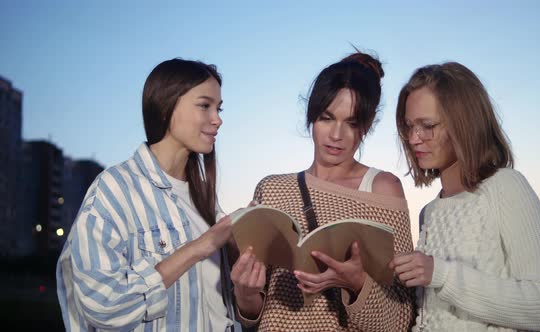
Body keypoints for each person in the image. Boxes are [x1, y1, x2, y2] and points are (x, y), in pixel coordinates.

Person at [231, 52, 416, 331]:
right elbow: (255, 314)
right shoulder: (272, 189)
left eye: (352, 123)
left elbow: (401, 319)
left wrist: (356, 284)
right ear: (312, 117)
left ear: (367, 125)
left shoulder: (383, 189)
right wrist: (245, 293)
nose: (336, 135)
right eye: (327, 118)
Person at [56, 58, 236, 331]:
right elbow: (104, 306)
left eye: (219, 108)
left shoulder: (207, 201)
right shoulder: (115, 190)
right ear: (166, 106)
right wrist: (199, 248)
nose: (218, 119)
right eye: (205, 105)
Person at [390, 62, 540, 331]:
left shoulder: (506, 187)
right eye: (409, 126)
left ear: (465, 124)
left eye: (427, 125)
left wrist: (442, 274)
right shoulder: (430, 211)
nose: (414, 138)